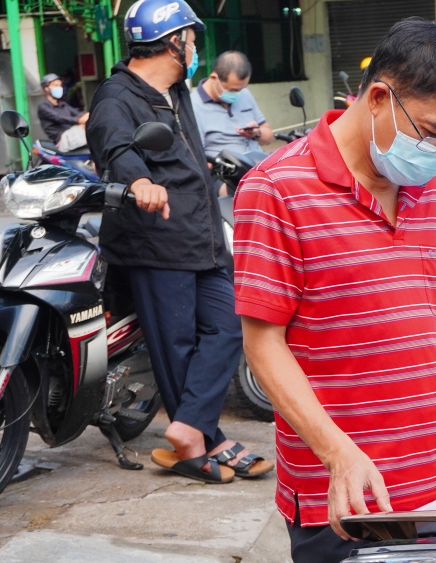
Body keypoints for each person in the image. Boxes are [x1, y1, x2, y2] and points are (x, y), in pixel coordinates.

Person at [233, 18, 436, 563]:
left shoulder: (424, 187)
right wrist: (338, 454)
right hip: (348, 495)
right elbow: (263, 345)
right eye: (434, 133)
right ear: (380, 97)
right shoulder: (276, 189)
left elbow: (430, 318)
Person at [86, 0, 272, 485]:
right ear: (173, 42)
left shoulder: (176, 92)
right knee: (177, 343)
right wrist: (139, 183)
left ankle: (189, 427)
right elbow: (115, 146)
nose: (194, 49)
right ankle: (200, 440)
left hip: (201, 235)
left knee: (232, 324)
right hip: (155, 239)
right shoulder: (116, 96)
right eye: (190, 40)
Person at [192, 51, 274, 160]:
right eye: (233, 90)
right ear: (213, 78)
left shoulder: (245, 94)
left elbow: (269, 137)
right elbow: (196, 158)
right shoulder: (194, 106)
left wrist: (256, 133)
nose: (237, 94)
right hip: (225, 174)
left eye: (241, 89)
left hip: (259, 167)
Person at [38, 73, 90, 152]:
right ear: (46, 88)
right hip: (62, 140)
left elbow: (77, 113)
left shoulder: (63, 104)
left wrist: (88, 115)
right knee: (86, 126)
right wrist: (79, 120)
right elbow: (59, 118)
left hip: (73, 134)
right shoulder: (43, 107)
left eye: (60, 85)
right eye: (55, 85)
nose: (59, 88)